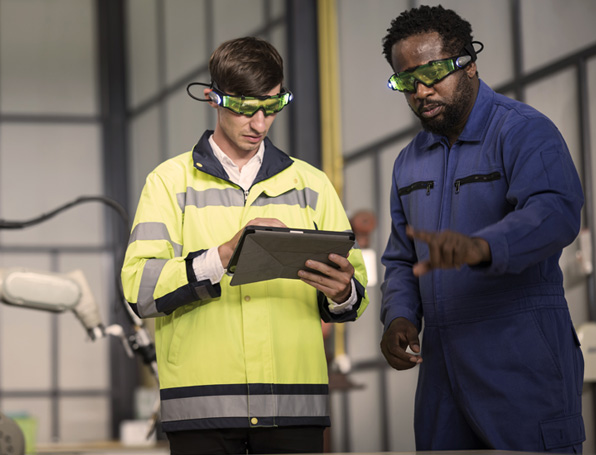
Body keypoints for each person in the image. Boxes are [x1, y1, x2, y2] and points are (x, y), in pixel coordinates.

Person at [120, 36, 368, 455]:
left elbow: (356, 287)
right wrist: (220, 257)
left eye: (271, 107)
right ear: (214, 99)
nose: (260, 124)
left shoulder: (311, 184)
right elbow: (138, 288)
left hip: (294, 407)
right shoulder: (168, 182)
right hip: (202, 409)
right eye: (246, 108)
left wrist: (343, 292)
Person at [379, 5, 585, 453]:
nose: (421, 90)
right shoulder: (408, 162)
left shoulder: (523, 131)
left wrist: (482, 247)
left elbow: (557, 211)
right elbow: (400, 257)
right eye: (406, 80)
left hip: (522, 361)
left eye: (433, 72)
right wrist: (398, 316)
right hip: (442, 376)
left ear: (470, 63)